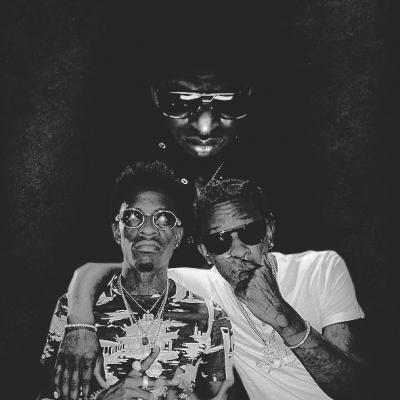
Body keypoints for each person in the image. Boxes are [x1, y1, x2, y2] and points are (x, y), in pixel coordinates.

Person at [56, 177, 372, 399]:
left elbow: (357, 389)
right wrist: (80, 324)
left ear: (270, 231)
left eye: (249, 232)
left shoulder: (320, 268)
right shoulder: (205, 287)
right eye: (220, 241)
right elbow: (109, 270)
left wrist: (283, 318)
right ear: (206, 252)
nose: (238, 250)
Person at [37, 161, 233, 400]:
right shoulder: (73, 312)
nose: (148, 229)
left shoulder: (210, 317)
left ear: (178, 235)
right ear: (116, 230)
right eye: (132, 217)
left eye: (164, 219)